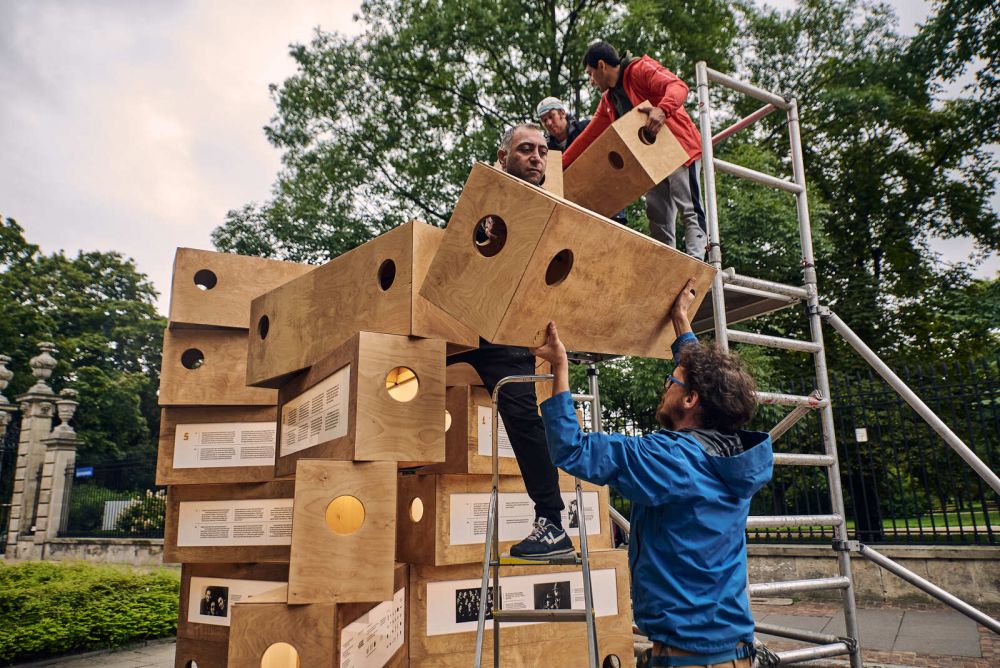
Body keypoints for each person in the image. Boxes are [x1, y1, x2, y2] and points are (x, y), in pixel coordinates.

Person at [531, 278, 773, 666]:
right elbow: (696, 374)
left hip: (692, 659)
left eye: (671, 383)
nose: (666, 387)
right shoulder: (730, 454)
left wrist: (557, 368)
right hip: (726, 650)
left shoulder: (669, 460)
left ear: (691, 400)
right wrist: (680, 322)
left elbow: (572, 449)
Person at [447, 123, 573, 561]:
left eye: (542, 150)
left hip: (509, 334)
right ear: (503, 158)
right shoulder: (482, 199)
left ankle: (552, 523)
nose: (537, 156)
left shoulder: (553, 208)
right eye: (526, 150)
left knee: (523, 418)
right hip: (460, 325)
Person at [563, 40, 708, 260]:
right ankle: (669, 271)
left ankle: (697, 264)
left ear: (602, 65)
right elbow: (588, 137)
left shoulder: (639, 70)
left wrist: (663, 109)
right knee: (658, 220)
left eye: (590, 74)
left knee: (689, 208)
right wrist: (557, 167)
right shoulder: (609, 101)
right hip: (650, 163)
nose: (591, 81)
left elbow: (678, 87)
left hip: (679, 150)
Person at [537, 96, 628, 226]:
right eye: (544, 121)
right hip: (573, 209)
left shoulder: (587, 128)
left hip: (604, 197)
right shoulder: (545, 148)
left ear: (562, 113)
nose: (549, 123)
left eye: (551, 117)